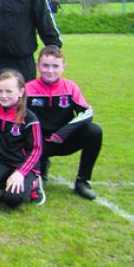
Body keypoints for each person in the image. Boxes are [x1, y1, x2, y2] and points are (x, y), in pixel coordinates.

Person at [26, 46, 102, 200]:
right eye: (45, 65)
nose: (50, 70)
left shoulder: (70, 88)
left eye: (55, 66)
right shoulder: (28, 89)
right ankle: (41, 167)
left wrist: (62, 133)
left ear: (63, 68)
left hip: (63, 139)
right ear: (37, 66)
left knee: (94, 131)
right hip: (37, 144)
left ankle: (82, 182)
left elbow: (87, 113)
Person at [0, 70, 43, 208]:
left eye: (9, 91)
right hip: (3, 162)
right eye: (0, 91)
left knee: (11, 200)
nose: (3, 96)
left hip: (23, 165)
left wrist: (20, 173)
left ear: (21, 92)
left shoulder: (29, 119)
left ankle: (34, 183)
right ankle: (7, 181)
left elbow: (36, 150)